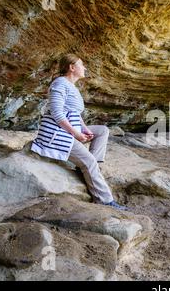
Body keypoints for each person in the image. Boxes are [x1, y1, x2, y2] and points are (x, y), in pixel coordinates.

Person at [31, 54, 128, 211]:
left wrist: (85, 129)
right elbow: (57, 113)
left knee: (102, 131)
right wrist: (76, 134)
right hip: (57, 134)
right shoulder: (60, 83)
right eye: (82, 64)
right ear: (72, 67)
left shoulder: (71, 86)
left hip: (70, 129)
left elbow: (74, 113)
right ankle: (104, 200)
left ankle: (89, 166)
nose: (85, 68)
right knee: (88, 162)